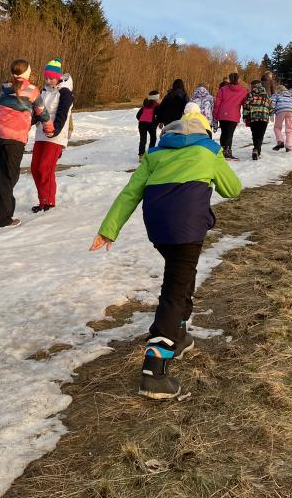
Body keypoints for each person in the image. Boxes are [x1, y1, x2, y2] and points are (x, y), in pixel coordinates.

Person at [91, 102, 242, 399]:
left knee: (183, 274)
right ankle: (154, 369)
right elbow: (232, 189)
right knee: (174, 290)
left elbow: (130, 192)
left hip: (158, 229)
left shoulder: (155, 153)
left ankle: (180, 333)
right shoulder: (209, 150)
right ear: (205, 131)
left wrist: (109, 229)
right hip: (188, 229)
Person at [0, 58, 50, 228]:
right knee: (9, 177)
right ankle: (3, 219)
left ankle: (1, 213)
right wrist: (50, 128)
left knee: (3, 175)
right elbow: (42, 113)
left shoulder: (4, 88)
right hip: (13, 138)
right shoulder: (32, 91)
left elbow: (9, 107)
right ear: (28, 73)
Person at [31, 58, 74, 212]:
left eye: (51, 78)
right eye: (46, 78)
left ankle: (48, 201)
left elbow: (63, 114)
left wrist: (55, 130)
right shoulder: (43, 91)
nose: (48, 81)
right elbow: (37, 112)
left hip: (56, 136)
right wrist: (26, 124)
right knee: (35, 168)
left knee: (45, 168)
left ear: (58, 77)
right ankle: (42, 200)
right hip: (41, 134)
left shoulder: (65, 93)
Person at [214, 72, 247, 159]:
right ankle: (227, 151)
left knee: (224, 133)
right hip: (233, 115)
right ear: (238, 79)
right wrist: (246, 115)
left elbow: (217, 104)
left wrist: (215, 115)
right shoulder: (243, 91)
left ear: (230, 79)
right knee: (229, 134)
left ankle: (223, 150)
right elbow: (245, 104)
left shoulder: (223, 89)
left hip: (222, 114)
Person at [242, 80, 273, 160]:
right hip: (264, 118)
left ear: (253, 86)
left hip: (253, 118)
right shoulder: (266, 95)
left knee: (255, 134)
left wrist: (245, 116)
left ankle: (256, 149)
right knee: (260, 135)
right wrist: (271, 114)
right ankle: (257, 150)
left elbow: (246, 105)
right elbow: (270, 106)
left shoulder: (250, 95)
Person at [271, 84, 292, 152]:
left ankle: (280, 141)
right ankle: (288, 146)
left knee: (277, 127)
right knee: (290, 130)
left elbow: (272, 104)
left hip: (280, 111)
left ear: (277, 90)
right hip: (291, 112)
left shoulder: (276, 95)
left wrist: (271, 114)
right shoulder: (290, 97)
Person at [136, 91, 161, 158]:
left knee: (143, 139)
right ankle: (150, 153)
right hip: (151, 124)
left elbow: (138, 116)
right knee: (153, 138)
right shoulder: (156, 105)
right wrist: (157, 123)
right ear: (156, 97)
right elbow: (159, 116)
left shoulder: (145, 104)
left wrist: (142, 120)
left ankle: (141, 155)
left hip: (142, 124)